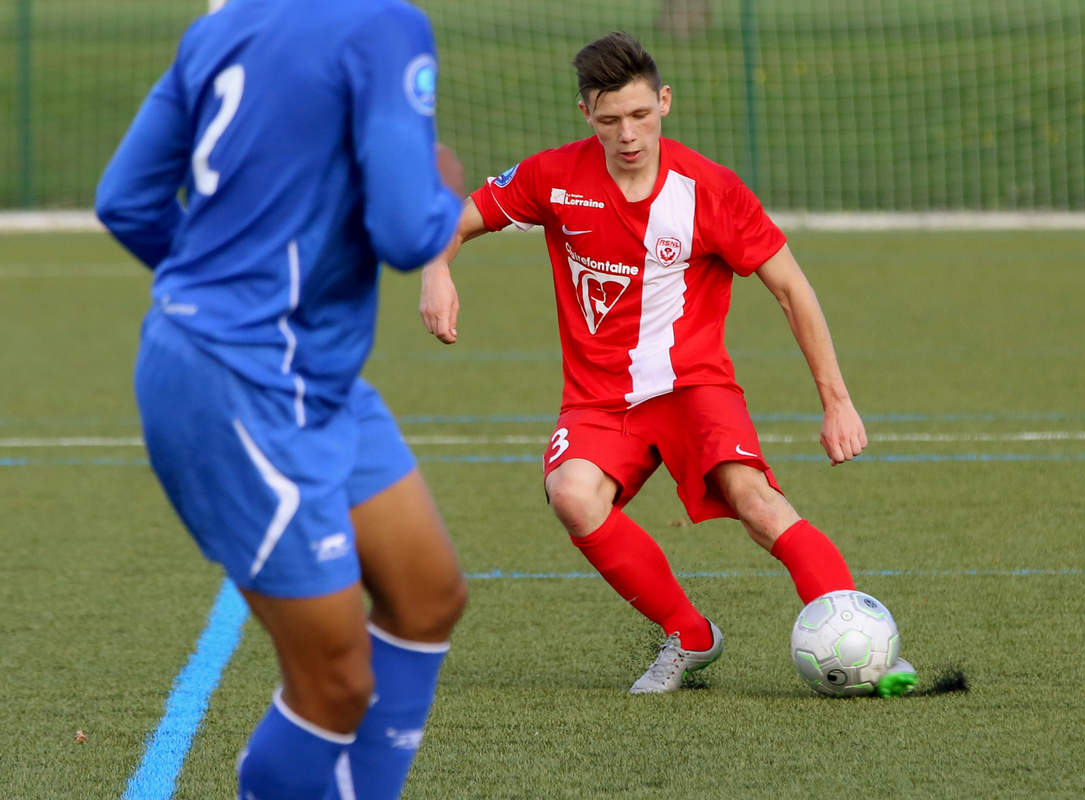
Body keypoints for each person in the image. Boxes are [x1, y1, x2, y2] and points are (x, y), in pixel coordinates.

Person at [420, 32, 916, 696]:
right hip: (599, 399)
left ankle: (862, 640)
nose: (628, 133)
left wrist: (838, 401)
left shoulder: (709, 190)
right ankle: (689, 634)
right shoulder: (552, 177)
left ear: (665, 102)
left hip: (693, 387)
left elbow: (792, 288)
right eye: (610, 120)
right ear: (585, 117)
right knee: (572, 495)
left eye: (640, 114)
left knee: (757, 502)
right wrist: (435, 272)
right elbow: (457, 220)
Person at [95, 1, 466, 797]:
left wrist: (210, 283)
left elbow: (126, 199)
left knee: (428, 594)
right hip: (238, 383)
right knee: (335, 681)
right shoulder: (384, 25)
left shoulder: (223, 25)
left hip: (313, 374)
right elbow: (407, 231)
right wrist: (444, 193)